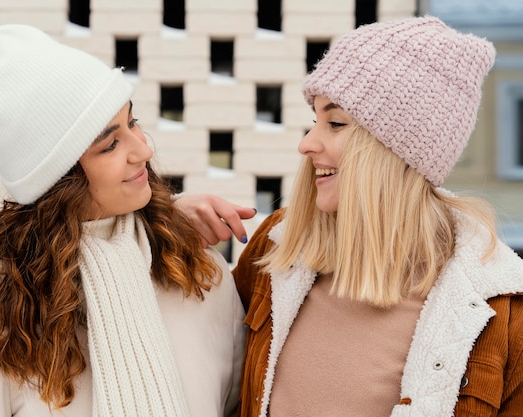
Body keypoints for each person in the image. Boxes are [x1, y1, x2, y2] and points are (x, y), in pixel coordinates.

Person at [178, 16, 523, 416]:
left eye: (336, 123)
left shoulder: (500, 311)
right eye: (315, 121)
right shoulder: (279, 249)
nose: (307, 144)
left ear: (398, 150)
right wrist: (166, 226)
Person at [0, 24, 246, 417]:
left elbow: (240, 403)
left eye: (132, 122)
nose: (143, 149)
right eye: (110, 144)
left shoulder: (193, 266)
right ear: (59, 180)